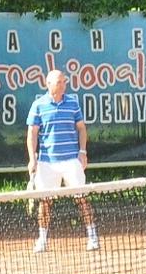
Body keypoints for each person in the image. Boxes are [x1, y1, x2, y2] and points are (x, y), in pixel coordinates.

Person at [25, 67, 98, 252]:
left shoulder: (73, 103)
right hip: (46, 162)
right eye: (59, 82)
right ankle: (42, 239)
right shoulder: (38, 105)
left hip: (71, 161)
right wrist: (32, 158)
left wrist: (82, 151)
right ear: (48, 84)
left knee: (81, 198)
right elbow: (32, 133)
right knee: (45, 201)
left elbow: (81, 128)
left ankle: (92, 236)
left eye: (64, 81)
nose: (63, 85)